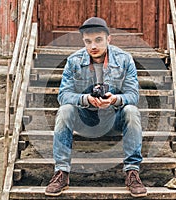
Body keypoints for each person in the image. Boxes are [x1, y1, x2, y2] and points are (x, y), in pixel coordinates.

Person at [45, 17, 147, 198]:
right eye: (88, 41)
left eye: (98, 40)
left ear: (109, 39)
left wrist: (115, 99)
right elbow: (63, 95)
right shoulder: (74, 61)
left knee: (131, 111)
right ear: (83, 41)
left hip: (114, 118)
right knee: (65, 110)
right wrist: (86, 99)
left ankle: (132, 173)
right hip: (85, 118)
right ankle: (61, 173)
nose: (93, 46)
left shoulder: (124, 60)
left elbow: (134, 96)